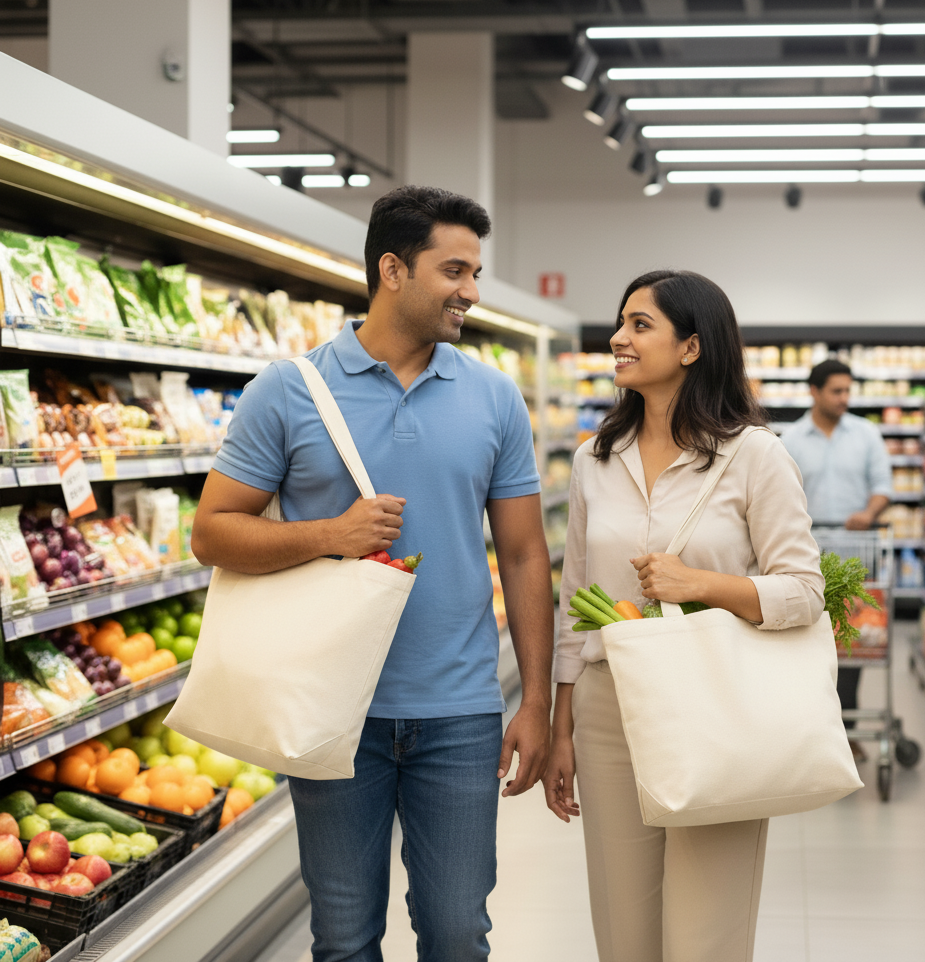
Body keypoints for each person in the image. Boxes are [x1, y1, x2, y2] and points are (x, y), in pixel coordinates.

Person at [190, 185, 553, 962]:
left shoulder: (493, 396)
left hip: (460, 709)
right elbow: (211, 533)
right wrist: (331, 535)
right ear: (393, 268)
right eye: (454, 269)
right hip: (330, 708)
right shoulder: (287, 391)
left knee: (459, 934)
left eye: (476, 271)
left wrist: (538, 701)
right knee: (345, 937)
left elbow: (524, 555)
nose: (472, 291)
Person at [542, 270, 825, 962]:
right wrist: (562, 727)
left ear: (693, 347)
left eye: (641, 325)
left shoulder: (754, 455)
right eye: (621, 322)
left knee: (706, 938)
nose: (618, 337)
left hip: (715, 704)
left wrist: (703, 582)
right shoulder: (593, 459)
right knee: (624, 935)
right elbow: (574, 595)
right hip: (611, 709)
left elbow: (804, 591)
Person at [781, 358, 893, 762]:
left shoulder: (866, 434)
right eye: (836, 391)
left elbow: (883, 487)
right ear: (815, 391)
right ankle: (810, 730)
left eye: (848, 391)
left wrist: (870, 513)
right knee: (805, 646)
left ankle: (843, 733)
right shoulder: (790, 439)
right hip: (804, 560)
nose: (845, 398)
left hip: (856, 558)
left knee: (852, 647)